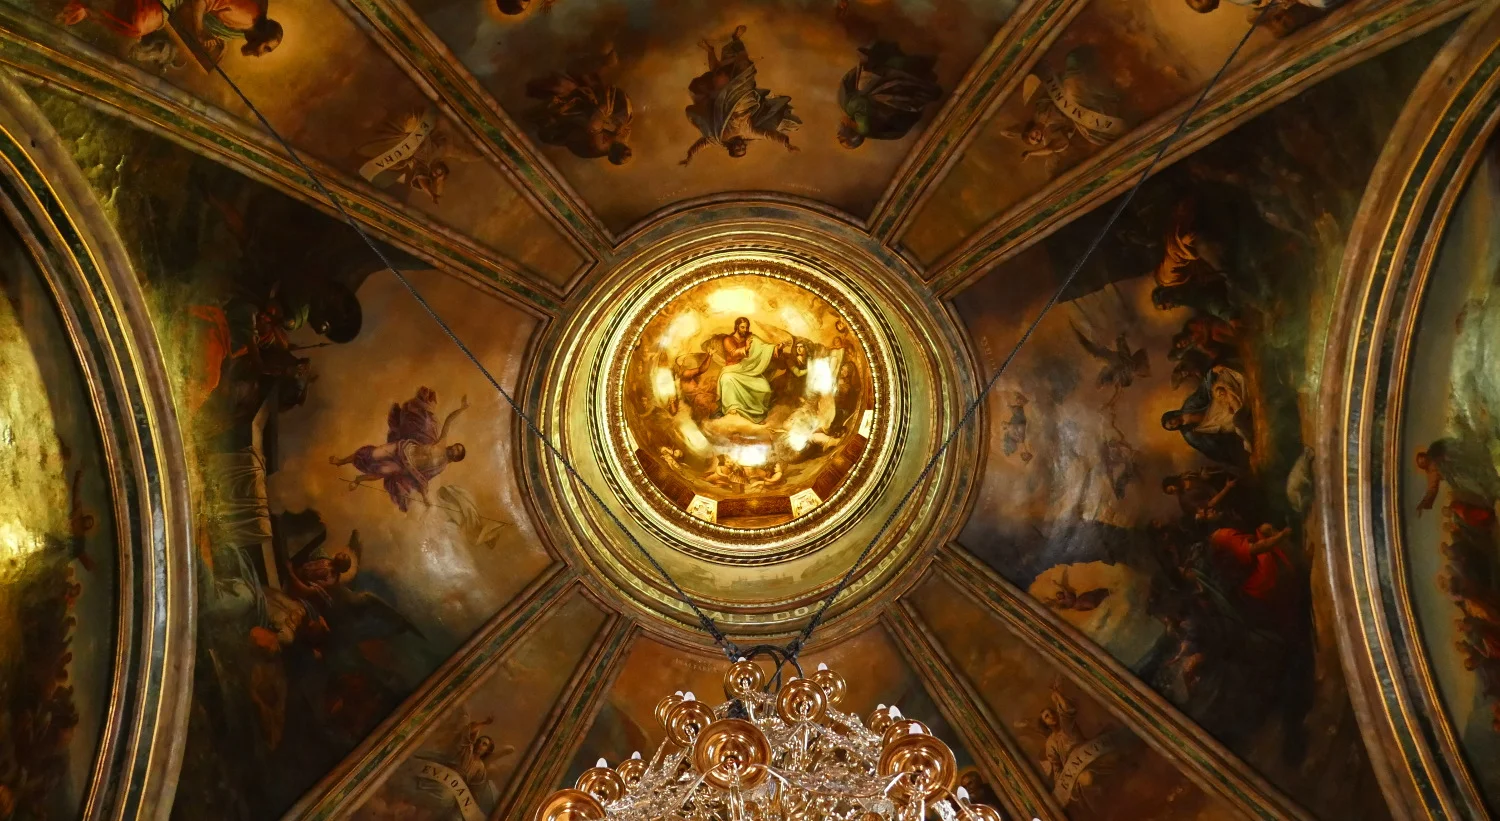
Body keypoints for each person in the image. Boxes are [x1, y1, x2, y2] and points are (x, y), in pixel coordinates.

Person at [330, 388, 470, 512]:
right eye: (456, 447)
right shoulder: (442, 442)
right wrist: (462, 409)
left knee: (382, 472)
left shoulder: (441, 466)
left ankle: (359, 479)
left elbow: (423, 478)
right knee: (373, 453)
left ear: (455, 458)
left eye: (456, 452)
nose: (454, 449)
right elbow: (449, 420)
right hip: (404, 448)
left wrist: (425, 497)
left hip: (404, 466)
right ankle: (341, 461)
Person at [681, 26, 801, 165]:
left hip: (723, 100)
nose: (740, 146)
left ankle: (710, 50)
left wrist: (690, 155)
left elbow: (702, 144)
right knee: (745, 68)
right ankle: (736, 40)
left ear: (731, 149)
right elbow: (769, 135)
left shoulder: (718, 138)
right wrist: (787, 144)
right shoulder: (749, 133)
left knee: (719, 74)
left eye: (737, 149)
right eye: (742, 148)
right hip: (743, 98)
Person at [58, 0, 282, 61]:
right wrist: (199, 30)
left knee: (140, 25)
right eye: (267, 48)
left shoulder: (243, 27)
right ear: (264, 35)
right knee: (139, 23)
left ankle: (88, 8)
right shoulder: (249, 16)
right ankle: (86, 7)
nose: (261, 53)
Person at [527, 50, 634, 165]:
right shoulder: (616, 140)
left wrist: (604, 106)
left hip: (561, 123)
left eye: (621, 146)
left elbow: (593, 123)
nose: (622, 142)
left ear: (613, 152)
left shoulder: (599, 145)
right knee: (578, 74)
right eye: (623, 145)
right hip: (579, 113)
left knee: (561, 85)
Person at [836, 41, 942, 149]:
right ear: (849, 129)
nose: (841, 123)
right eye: (843, 128)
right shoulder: (855, 112)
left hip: (894, 89)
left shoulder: (868, 127)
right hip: (892, 86)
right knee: (901, 64)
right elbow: (862, 103)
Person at [716, 317, 776, 423]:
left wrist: (775, 348)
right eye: (742, 327)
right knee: (727, 379)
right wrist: (746, 348)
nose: (745, 329)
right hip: (732, 370)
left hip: (748, 370)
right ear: (736, 327)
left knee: (765, 388)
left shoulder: (750, 338)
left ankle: (755, 413)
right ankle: (733, 410)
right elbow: (733, 354)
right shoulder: (728, 339)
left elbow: (764, 347)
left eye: (746, 327)